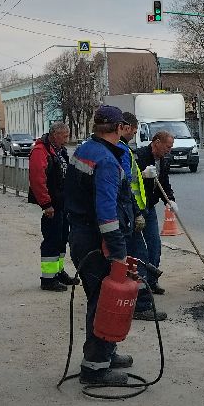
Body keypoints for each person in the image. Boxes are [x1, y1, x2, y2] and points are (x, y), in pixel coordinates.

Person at [65, 105, 137, 387]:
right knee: (103, 301)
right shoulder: (107, 161)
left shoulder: (86, 149)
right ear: (119, 128)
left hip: (82, 234)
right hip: (98, 241)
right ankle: (95, 369)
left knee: (98, 297)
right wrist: (118, 249)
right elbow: (106, 212)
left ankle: (106, 352)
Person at [117, 112, 167, 322]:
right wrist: (137, 213)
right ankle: (141, 305)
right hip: (128, 214)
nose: (135, 134)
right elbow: (128, 186)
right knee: (138, 257)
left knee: (146, 251)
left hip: (134, 211)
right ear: (124, 127)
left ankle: (143, 291)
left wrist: (168, 200)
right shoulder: (126, 152)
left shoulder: (123, 150)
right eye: (134, 130)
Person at [28, 121, 72, 292]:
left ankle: (58, 272)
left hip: (61, 204)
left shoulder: (59, 151)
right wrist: (46, 204)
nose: (67, 140)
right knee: (52, 241)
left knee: (61, 240)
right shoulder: (40, 151)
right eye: (65, 136)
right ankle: (48, 279)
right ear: (55, 135)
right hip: (51, 206)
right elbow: (38, 179)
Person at [135, 130, 176, 304]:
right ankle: (139, 284)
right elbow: (130, 182)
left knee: (154, 245)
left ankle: (152, 281)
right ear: (156, 142)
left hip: (149, 207)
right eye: (168, 146)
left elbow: (164, 182)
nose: (169, 150)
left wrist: (170, 200)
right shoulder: (139, 156)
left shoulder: (163, 160)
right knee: (138, 249)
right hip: (136, 208)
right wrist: (143, 175)